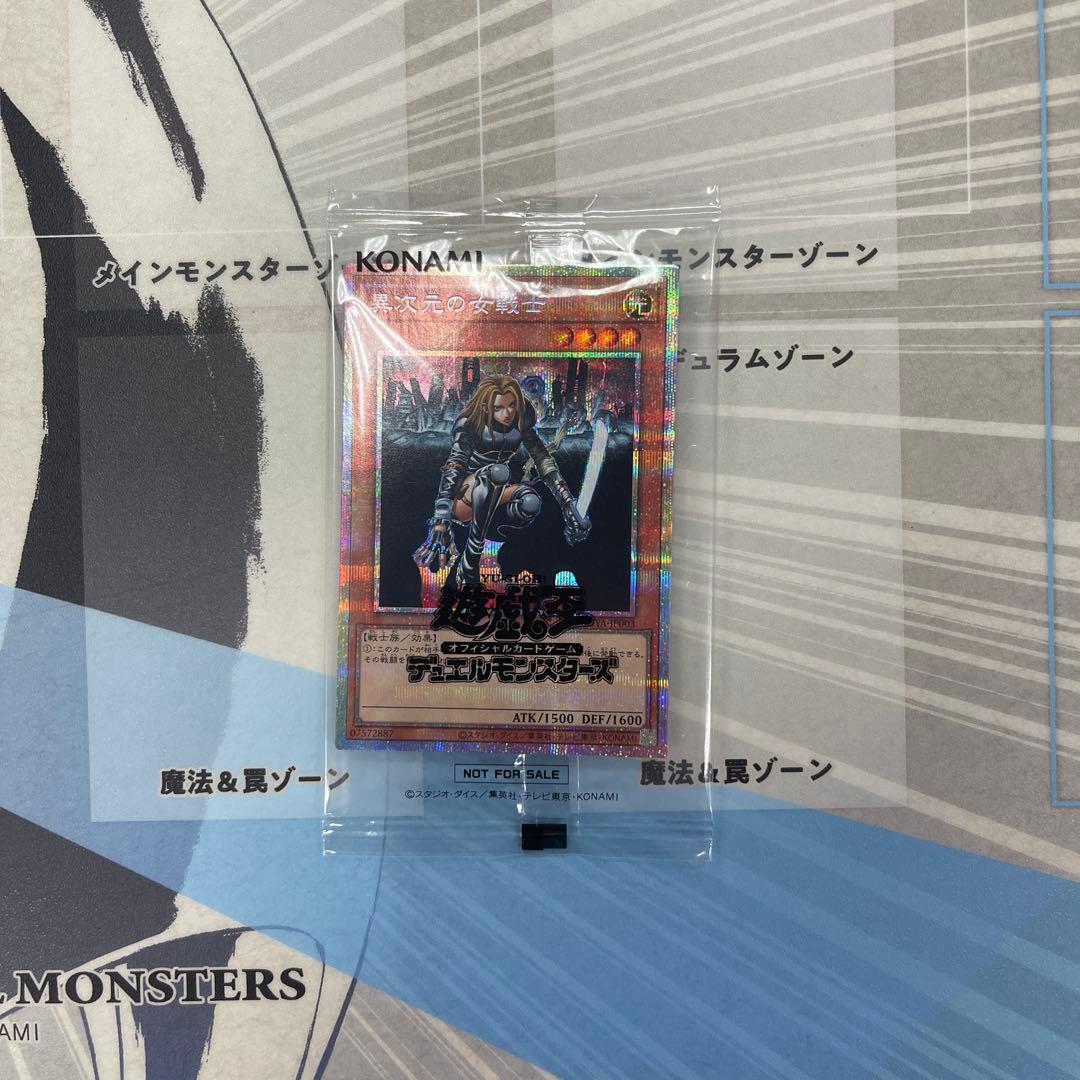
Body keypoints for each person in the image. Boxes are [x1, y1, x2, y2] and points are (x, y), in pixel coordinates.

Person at [414, 374, 589, 586]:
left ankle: (497, 539)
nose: (507, 413)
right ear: (487, 408)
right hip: (463, 498)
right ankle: (470, 562)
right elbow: (454, 465)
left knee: (530, 502)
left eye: (511, 405)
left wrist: (567, 502)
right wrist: (441, 519)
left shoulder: (522, 419)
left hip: (493, 499)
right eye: (499, 408)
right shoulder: (470, 423)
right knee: (499, 472)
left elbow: (542, 458)